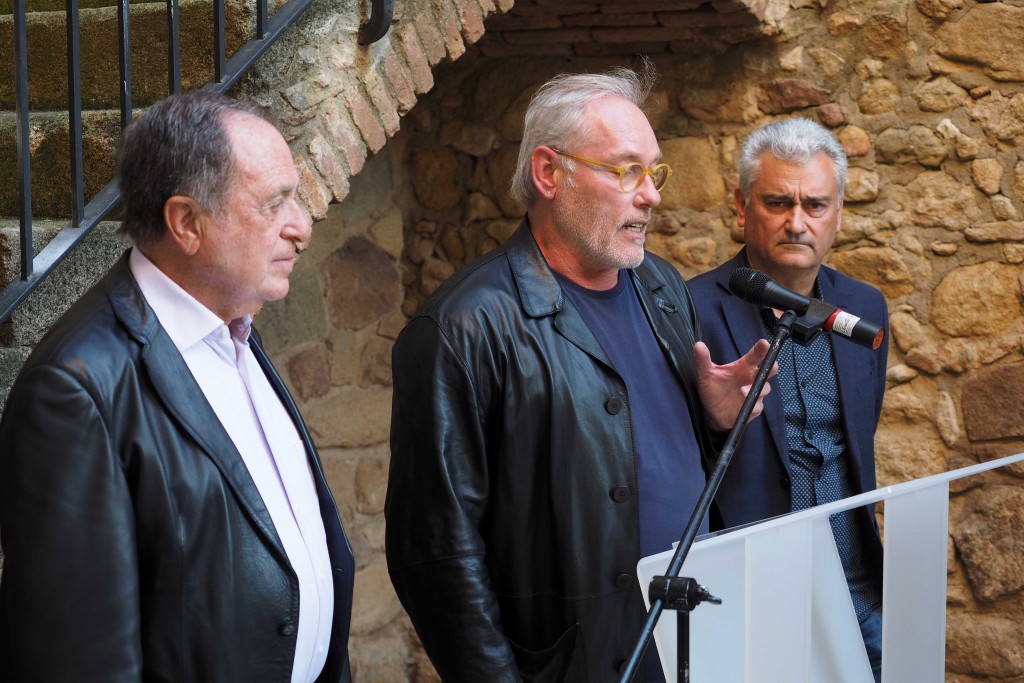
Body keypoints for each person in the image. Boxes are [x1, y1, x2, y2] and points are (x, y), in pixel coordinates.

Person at [385, 65, 773, 682]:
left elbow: (641, 457)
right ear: (548, 173)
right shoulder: (463, 328)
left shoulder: (662, 286)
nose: (651, 194)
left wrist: (715, 423)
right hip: (572, 664)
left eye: (655, 172)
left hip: (689, 641)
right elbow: (436, 555)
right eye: (626, 171)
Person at [0, 91, 355, 682]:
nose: (302, 227)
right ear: (187, 223)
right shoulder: (74, 391)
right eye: (275, 204)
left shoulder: (234, 331)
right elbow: (76, 660)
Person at [687, 117, 888, 682]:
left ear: (839, 213)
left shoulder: (865, 305)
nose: (797, 223)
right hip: (751, 597)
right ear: (741, 206)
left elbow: (857, 437)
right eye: (777, 202)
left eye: (815, 205)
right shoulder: (689, 308)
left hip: (858, 591)